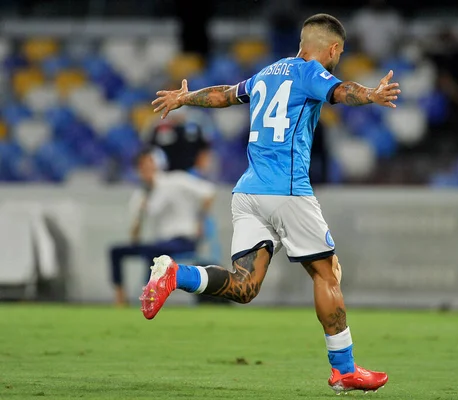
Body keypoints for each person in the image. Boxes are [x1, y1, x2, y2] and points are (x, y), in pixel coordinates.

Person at [143, 13, 400, 394]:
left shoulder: (266, 74)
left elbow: (226, 94)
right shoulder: (310, 70)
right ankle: (344, 370)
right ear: (331, 49)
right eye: (339, 52)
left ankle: (175, 274)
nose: (338, 59)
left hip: (248, 194)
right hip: (288, 190)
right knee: (327, 274)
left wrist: (185, 98)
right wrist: (373, 95)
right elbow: (342, 90)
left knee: (244, 288)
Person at [109, 146, 216, 306]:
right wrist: (140, 214)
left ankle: (150, 297)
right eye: (142, 166)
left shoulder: (175, 180)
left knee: (153, 252)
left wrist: (200, 221)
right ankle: (121, 298)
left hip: (184, 239)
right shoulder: (140, 195)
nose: (146, 169)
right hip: (160, 242)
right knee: (116, 251)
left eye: (149, 164)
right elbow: (135, 236)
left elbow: (209, 192)